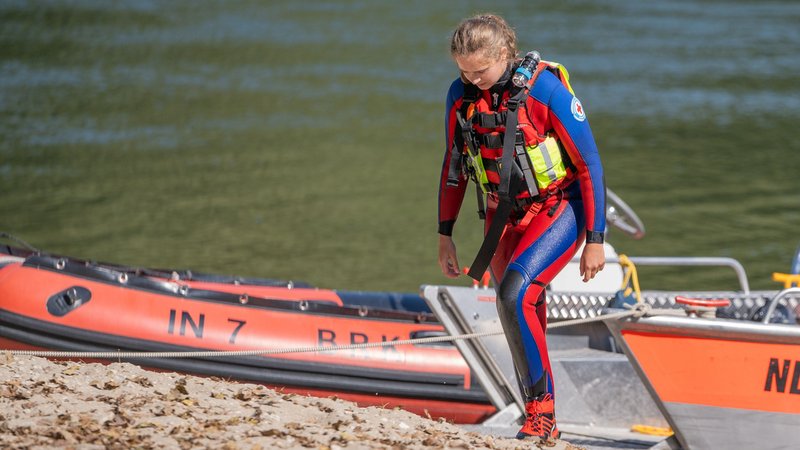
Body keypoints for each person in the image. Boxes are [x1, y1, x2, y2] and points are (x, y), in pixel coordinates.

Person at [437, 14, 606, 441]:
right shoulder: (460, 97)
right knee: (515, 307)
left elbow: (590, 166)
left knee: (515, 294)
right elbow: (453, 167)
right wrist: (445, 234)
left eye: (480, 71)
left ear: (504, 55)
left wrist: (595, 239)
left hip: (559, 207)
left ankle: (541, 416)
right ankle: (537, 415)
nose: (471, 80)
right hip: (502, 215)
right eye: (463, 70)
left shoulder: (544, 89)